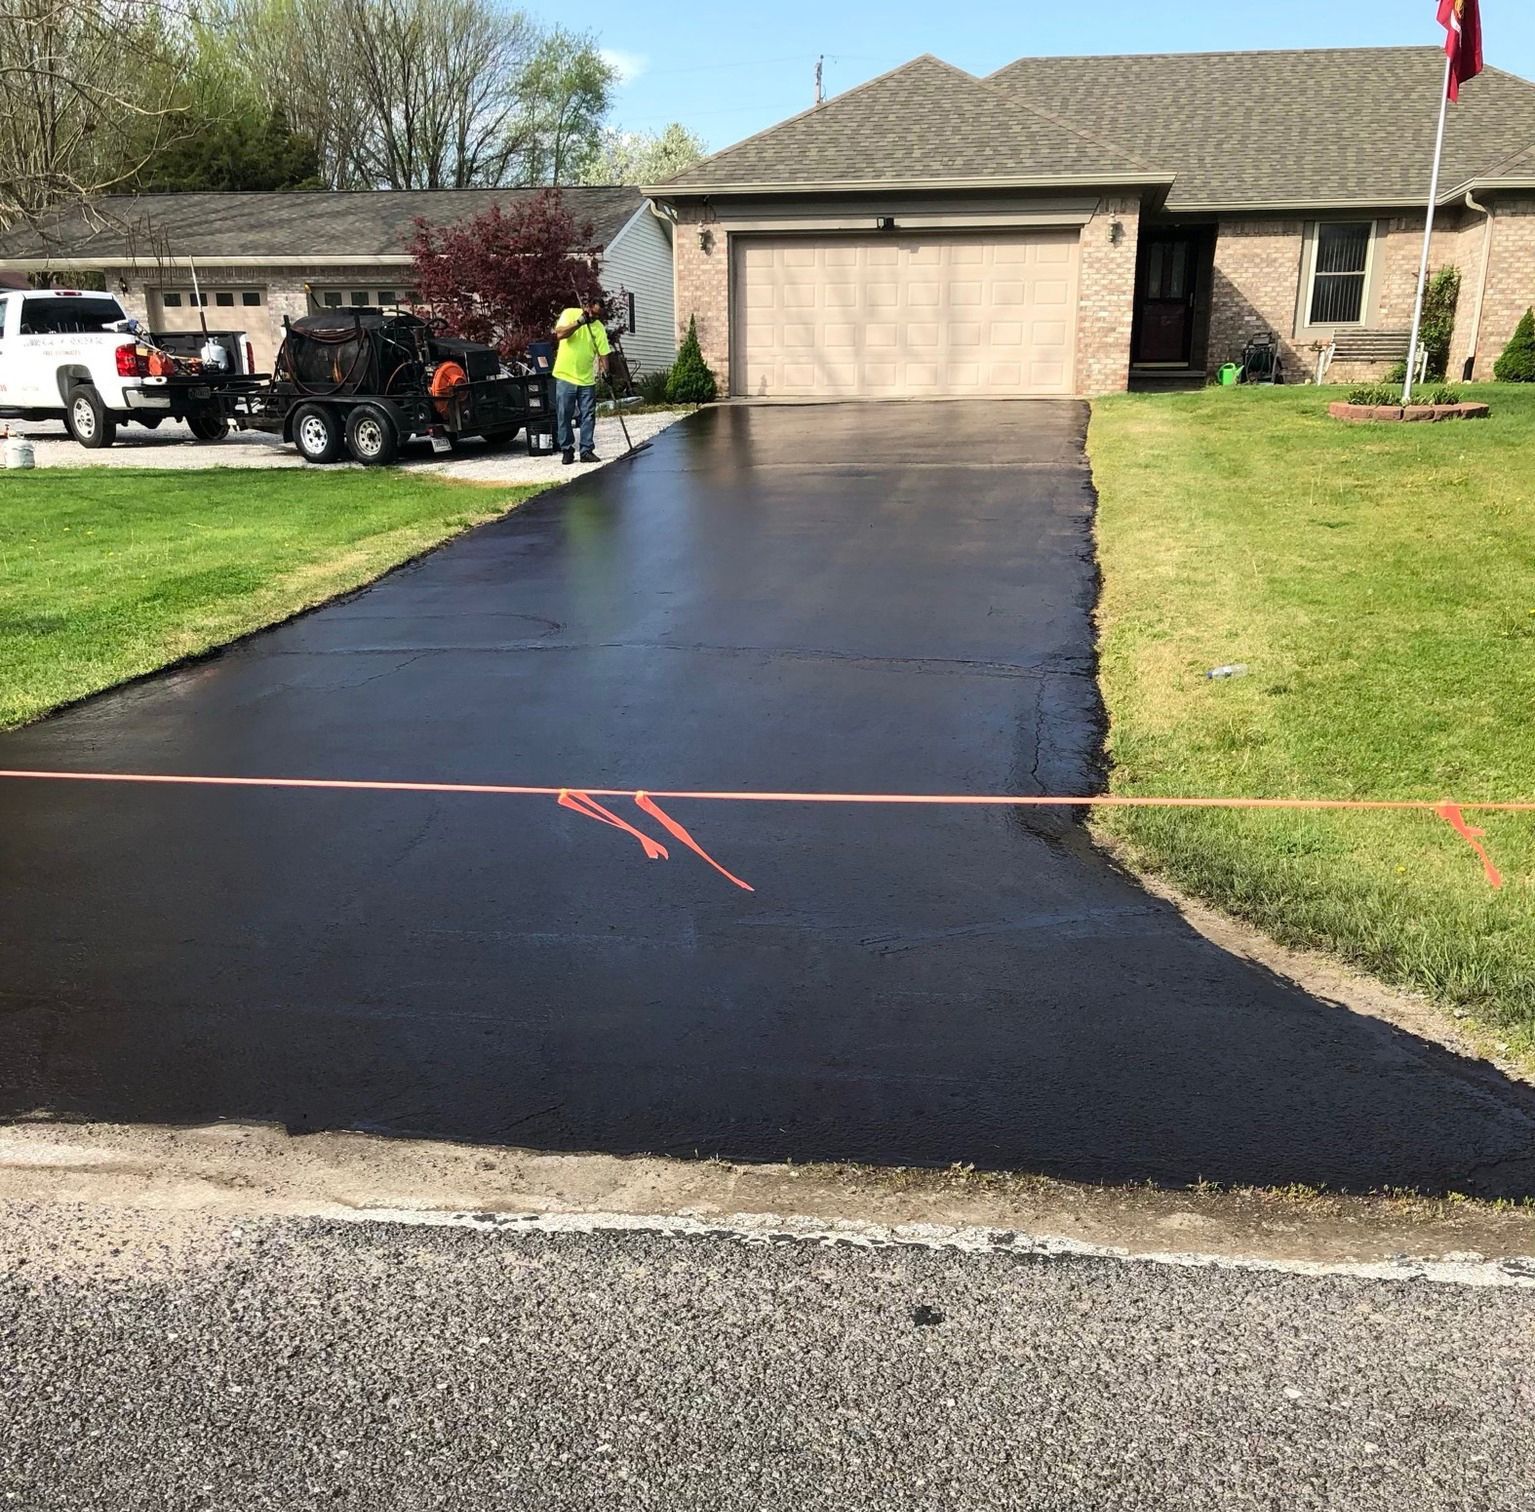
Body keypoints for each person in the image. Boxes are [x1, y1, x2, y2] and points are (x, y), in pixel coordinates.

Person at [551, 296, 610, 465]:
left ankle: (586, 451)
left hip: (586, 379)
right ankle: (567, 449)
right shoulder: (569, 314)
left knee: (588, 416)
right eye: (593, 313)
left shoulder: (599, 328)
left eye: (598, 315)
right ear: (587, 307)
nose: (595, 317)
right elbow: (560, 334)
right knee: (564, 415)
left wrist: (606, 372)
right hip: (565, 375)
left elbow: (604, 352)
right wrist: (579, 323)